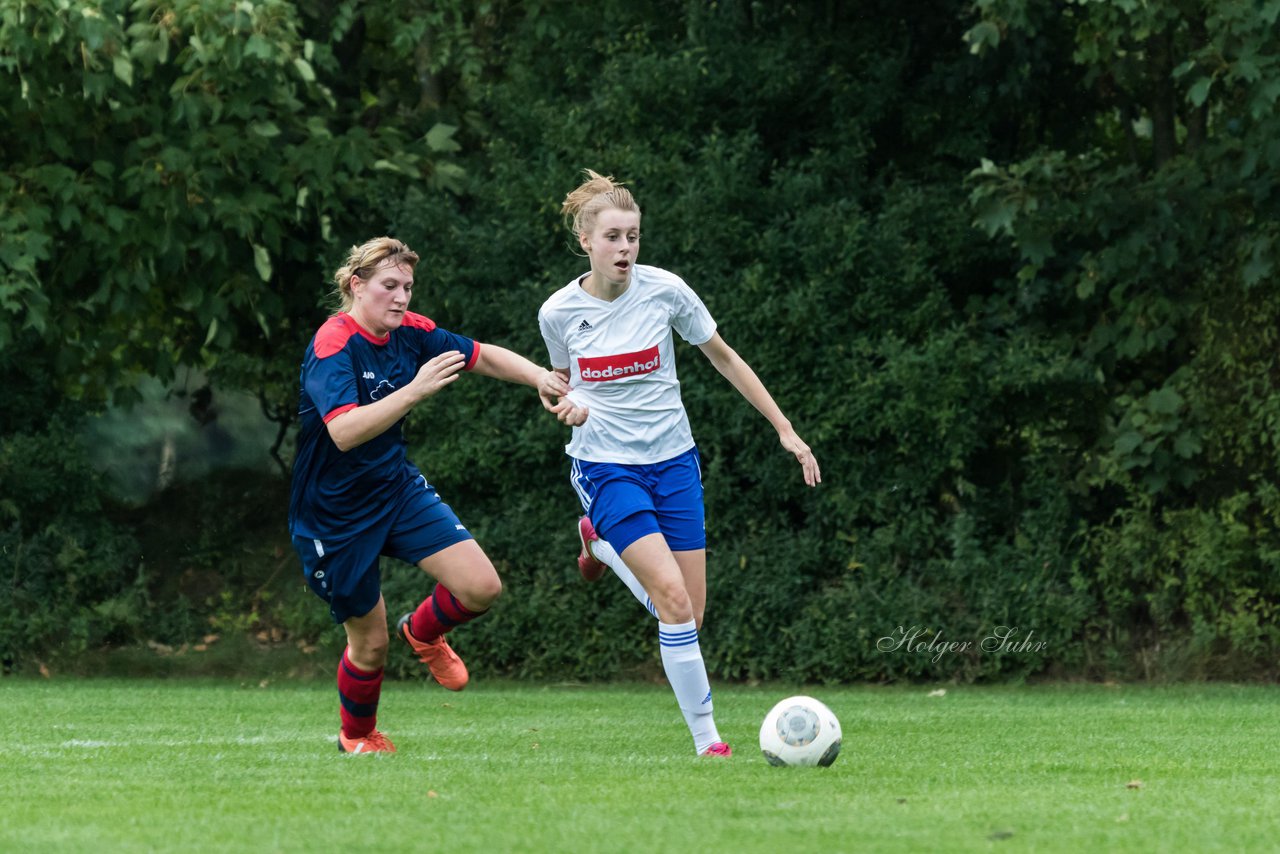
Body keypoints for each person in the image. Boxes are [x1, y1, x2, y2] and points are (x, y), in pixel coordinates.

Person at [538, 170, 821, 757]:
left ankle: (596, 544)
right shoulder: (559, 312)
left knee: (688, 615)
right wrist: (564, 405)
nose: (625, 249)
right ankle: (709, 742)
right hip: (606, 465)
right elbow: (560, 384)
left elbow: (724, 357)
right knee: (671, 599)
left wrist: (785, 429)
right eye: (613, 237)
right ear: (585, 240)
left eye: (633, 236)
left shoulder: (666, 290)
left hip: (674, 462)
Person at [290, 236, 583, 754]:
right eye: (389, 286)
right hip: (332, 515)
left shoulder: (412, 332)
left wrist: (541, 376)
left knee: (481, 587)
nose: (401, 297)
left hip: (395, 490)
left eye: (407, 286)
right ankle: (356, 737)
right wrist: (416, 390)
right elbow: (344, 431)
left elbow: (480, 355)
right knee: (369, 644)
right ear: (357, 286)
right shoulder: (333, 344)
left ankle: (423, 633)